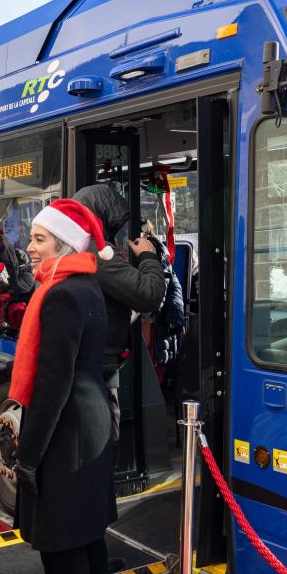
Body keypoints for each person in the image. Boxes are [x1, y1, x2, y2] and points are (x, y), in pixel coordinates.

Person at [12, 198, 116, 574]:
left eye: (38, 239)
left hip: (66, 433)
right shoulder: (85, 287)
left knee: (62, 549)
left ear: (65, 244)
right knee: (87, 542)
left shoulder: (60, 296)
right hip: (86, 427)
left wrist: (27, 455)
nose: (28, 248)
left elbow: (51, 386)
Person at [72, 183, 166, 439]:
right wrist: (148, 257)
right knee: (104, 442)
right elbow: (149, 295)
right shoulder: (96, 255)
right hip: (98, 368)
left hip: (88, 363)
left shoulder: (74, 248)